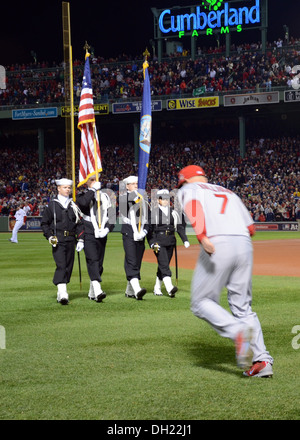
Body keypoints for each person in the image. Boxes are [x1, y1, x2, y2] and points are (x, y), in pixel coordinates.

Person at [177, 165, 274, 378]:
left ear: (185, 180)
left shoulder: (188, 190)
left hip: (218, 242)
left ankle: (236, 332)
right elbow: (251, 229)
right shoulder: (228, 191)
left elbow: (193, 207)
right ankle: (262, 361)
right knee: (242, 306)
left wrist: (201, 236)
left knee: (200, 302)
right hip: (244, 244)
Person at [41, 178, 84, 305]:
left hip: (71, 239)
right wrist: (49, 236)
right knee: (61, 265)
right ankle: (63, 292)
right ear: (58, 188)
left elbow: (79, 224)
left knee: (69, 267)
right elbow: (44, 223)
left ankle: (61, 292)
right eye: (65, 187)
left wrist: (81, 239)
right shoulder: (52, 205)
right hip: (58, 240)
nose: (68, 190)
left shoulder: (73, 205)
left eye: (69, 188)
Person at [76, 175, 115, 302]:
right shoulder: (82, 195)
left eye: (95, 179)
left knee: (99, 264)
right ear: (86, 182)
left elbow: (112, 215)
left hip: (102, 231)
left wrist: (107, 229)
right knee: (92, 260)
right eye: (91, 180)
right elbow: (83, 204)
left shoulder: (105, 196)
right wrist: (92, 191)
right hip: (88, 231)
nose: (94, 182)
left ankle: (92, 291)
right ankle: (98, 290)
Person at [148, 189, 190, 297]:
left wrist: (185, 239)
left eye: (167, 198)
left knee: (163, 264)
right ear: (158, 200)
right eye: (163, 199)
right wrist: (152, 243)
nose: (166, 201)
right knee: (164, 264)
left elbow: (179, 228)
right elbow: (150, 230)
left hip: (170, 241)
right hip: (158, 241)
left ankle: (157, 288)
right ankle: (170, 288)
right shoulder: (153, 213)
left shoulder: (174, 212)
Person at [119, 176, 149, 300]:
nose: (136, 185)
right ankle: (137, 290)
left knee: (136, 261)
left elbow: (148, 217)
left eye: (138, 183)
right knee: (131, 260)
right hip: (129, 233)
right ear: (127, 186)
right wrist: (137, 198)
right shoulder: (123, 198)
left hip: (141, 233)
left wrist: (145, 231)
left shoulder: (143, 199)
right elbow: (126, 205)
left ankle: (129, 290)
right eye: (133, 183)